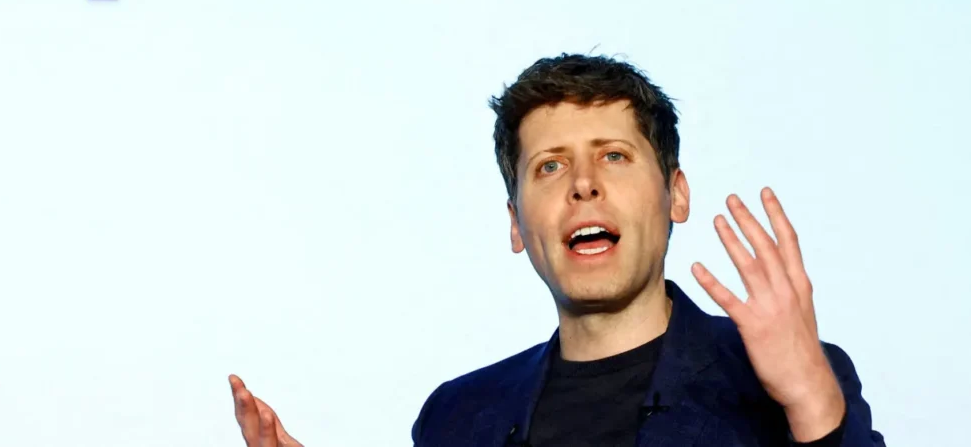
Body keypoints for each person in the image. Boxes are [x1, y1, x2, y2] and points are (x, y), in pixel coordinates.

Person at [228, 53, 885, 446]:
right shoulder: (457, 418)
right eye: (550, 166)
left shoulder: (797, 381)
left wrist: (811, 401)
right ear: (517, 223)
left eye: (614, 155)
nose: (583, 184)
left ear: (676, 194)